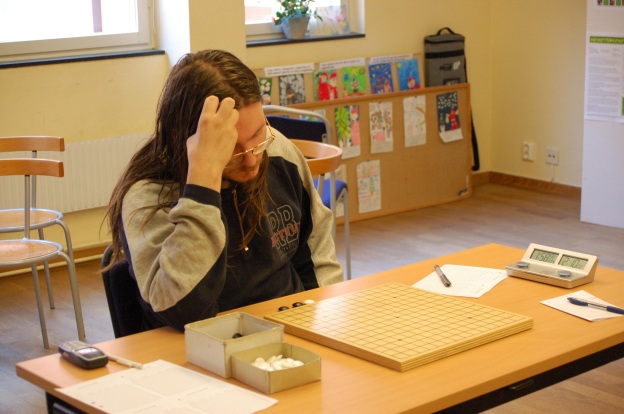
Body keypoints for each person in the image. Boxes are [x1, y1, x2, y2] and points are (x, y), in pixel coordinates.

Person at [105, 50, 343, 332]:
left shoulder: (278, 151)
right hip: (198, 341)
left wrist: (323, 322)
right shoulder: (148, 195)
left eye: (258, 137)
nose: (252, 160)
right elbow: (183, 310)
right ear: (185, 139)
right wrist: (203, 181)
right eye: (232, 148)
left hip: (287, 326)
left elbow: (316, 254)